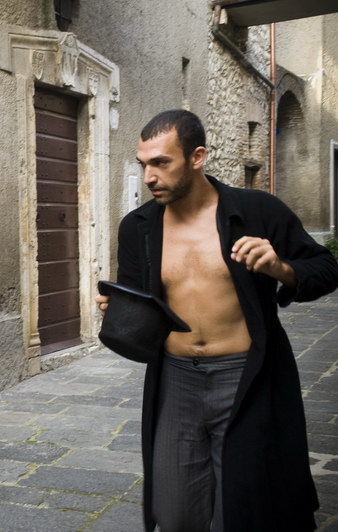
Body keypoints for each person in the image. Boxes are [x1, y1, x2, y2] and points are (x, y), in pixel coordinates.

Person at [95, 109, 338, 532]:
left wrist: (281, 268)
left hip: (245, 376)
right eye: (144, 164)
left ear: (197, 157)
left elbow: (326, 268)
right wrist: (120, 311)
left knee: (245, 508)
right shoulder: (138, 228)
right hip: (176, 379)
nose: (149, 176)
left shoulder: (258, 211)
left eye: (161, 162)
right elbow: (139, 300)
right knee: (174, 513)